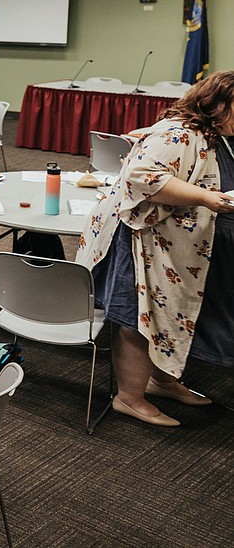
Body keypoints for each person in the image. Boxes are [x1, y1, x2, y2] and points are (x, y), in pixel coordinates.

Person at [77, 70, 234, 427]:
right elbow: (143, 177)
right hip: (140, 237)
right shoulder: (180, 132)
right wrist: (207, 197)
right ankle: (129, 398)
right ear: (218, 104)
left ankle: (162, 381)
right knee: (136, 316)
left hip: (175, 242)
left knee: (169, 313)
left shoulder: (217, 133)